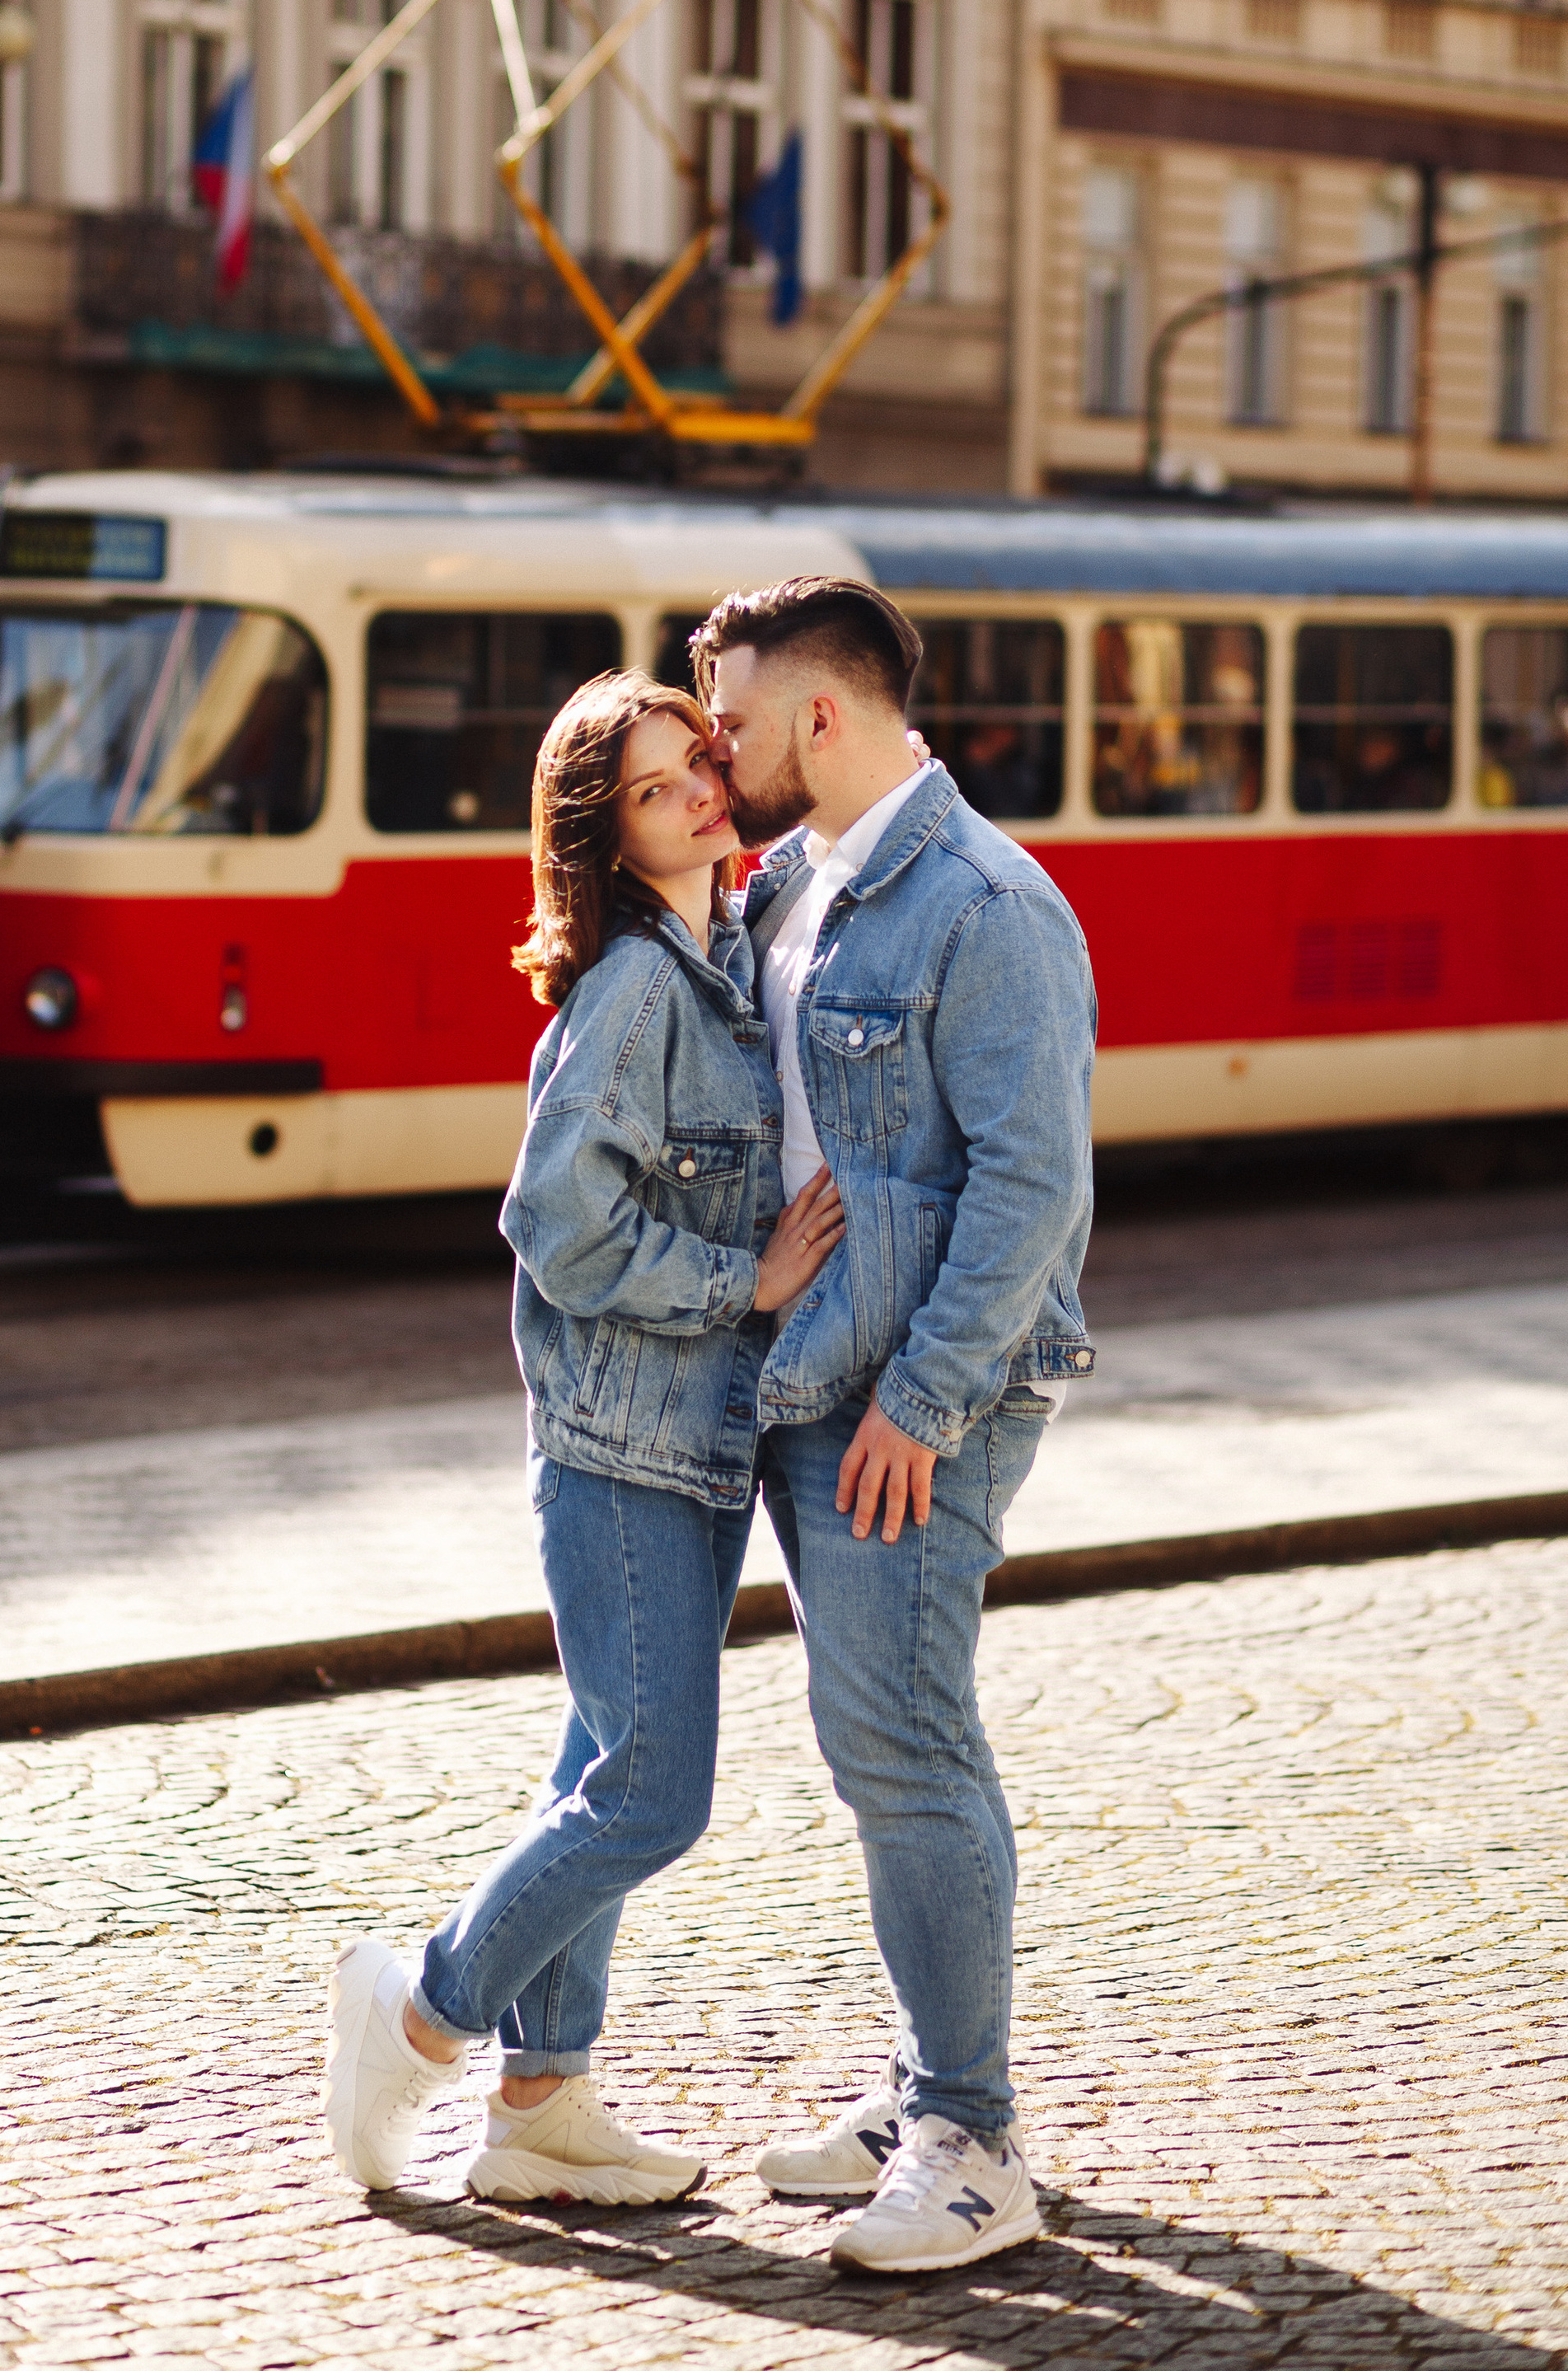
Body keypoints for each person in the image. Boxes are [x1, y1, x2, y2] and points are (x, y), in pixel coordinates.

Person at [323, 668, 846, 2205]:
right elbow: (553, 1223)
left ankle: (542, 2108)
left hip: (694, 1445)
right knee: (649, 1795)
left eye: (695, 756)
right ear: (607, 842)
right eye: (651, 786)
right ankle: (419, 2011)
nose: (695, 785)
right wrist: (736, 1280)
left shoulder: (729, 952)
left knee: (595, 1767)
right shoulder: (632, 991)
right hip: (621, 1452)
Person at [695, 573, 1096, 2280]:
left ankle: (971, 2139)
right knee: (879, 1748)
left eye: (726, 718)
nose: (711, 751)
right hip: (815, 1388)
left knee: (909, 1746)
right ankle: (926, 2085)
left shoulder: (985, 908)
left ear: (819, 715)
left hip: (909, 1409)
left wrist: (922, 1405)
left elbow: (1031, 1188)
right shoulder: (790, 888)